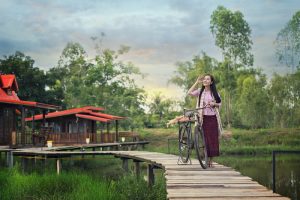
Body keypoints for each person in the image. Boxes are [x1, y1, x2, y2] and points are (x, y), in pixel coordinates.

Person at [187, 74, 223, 167]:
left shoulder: (214, 93)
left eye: (208, 79)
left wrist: (213, 103)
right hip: (203, 118)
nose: (205, 80)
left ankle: (211, 161)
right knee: (206, 139)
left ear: (211, 82)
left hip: (213, 118)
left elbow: (219, 104)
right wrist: (196, 82)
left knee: (213, 139)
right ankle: (206, 158)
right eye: (204, 79)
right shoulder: (200, 91)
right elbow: (189, 92)